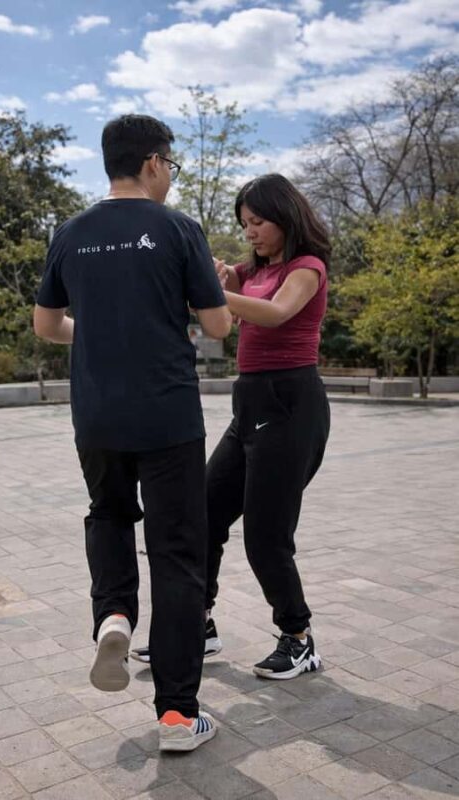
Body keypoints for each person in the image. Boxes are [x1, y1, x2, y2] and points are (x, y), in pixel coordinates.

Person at [34, 114, 232, 752]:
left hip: (96, 415)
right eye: (170, 165)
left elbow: (47, 324)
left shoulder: (70, 232)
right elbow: (218, 325)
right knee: (177, 554)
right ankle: (176, 715)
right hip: (167, 416)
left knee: (110, 516)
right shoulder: (178, 229)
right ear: (152, 163)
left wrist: (91, 333)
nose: (171, 176)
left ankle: (114, 616)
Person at [132, 173, 330, 681]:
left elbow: (274, 313)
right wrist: (216, 278)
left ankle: (299, 637)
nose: (251, 232)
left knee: (266, 534)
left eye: (259, 222)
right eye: (244, 224)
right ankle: (197, 625)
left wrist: (214, 296)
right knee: (202, 515)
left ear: (286, 216)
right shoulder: (249, 270)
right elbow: (228, 288)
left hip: (291, 404)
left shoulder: (307, 268)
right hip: (250, 405)